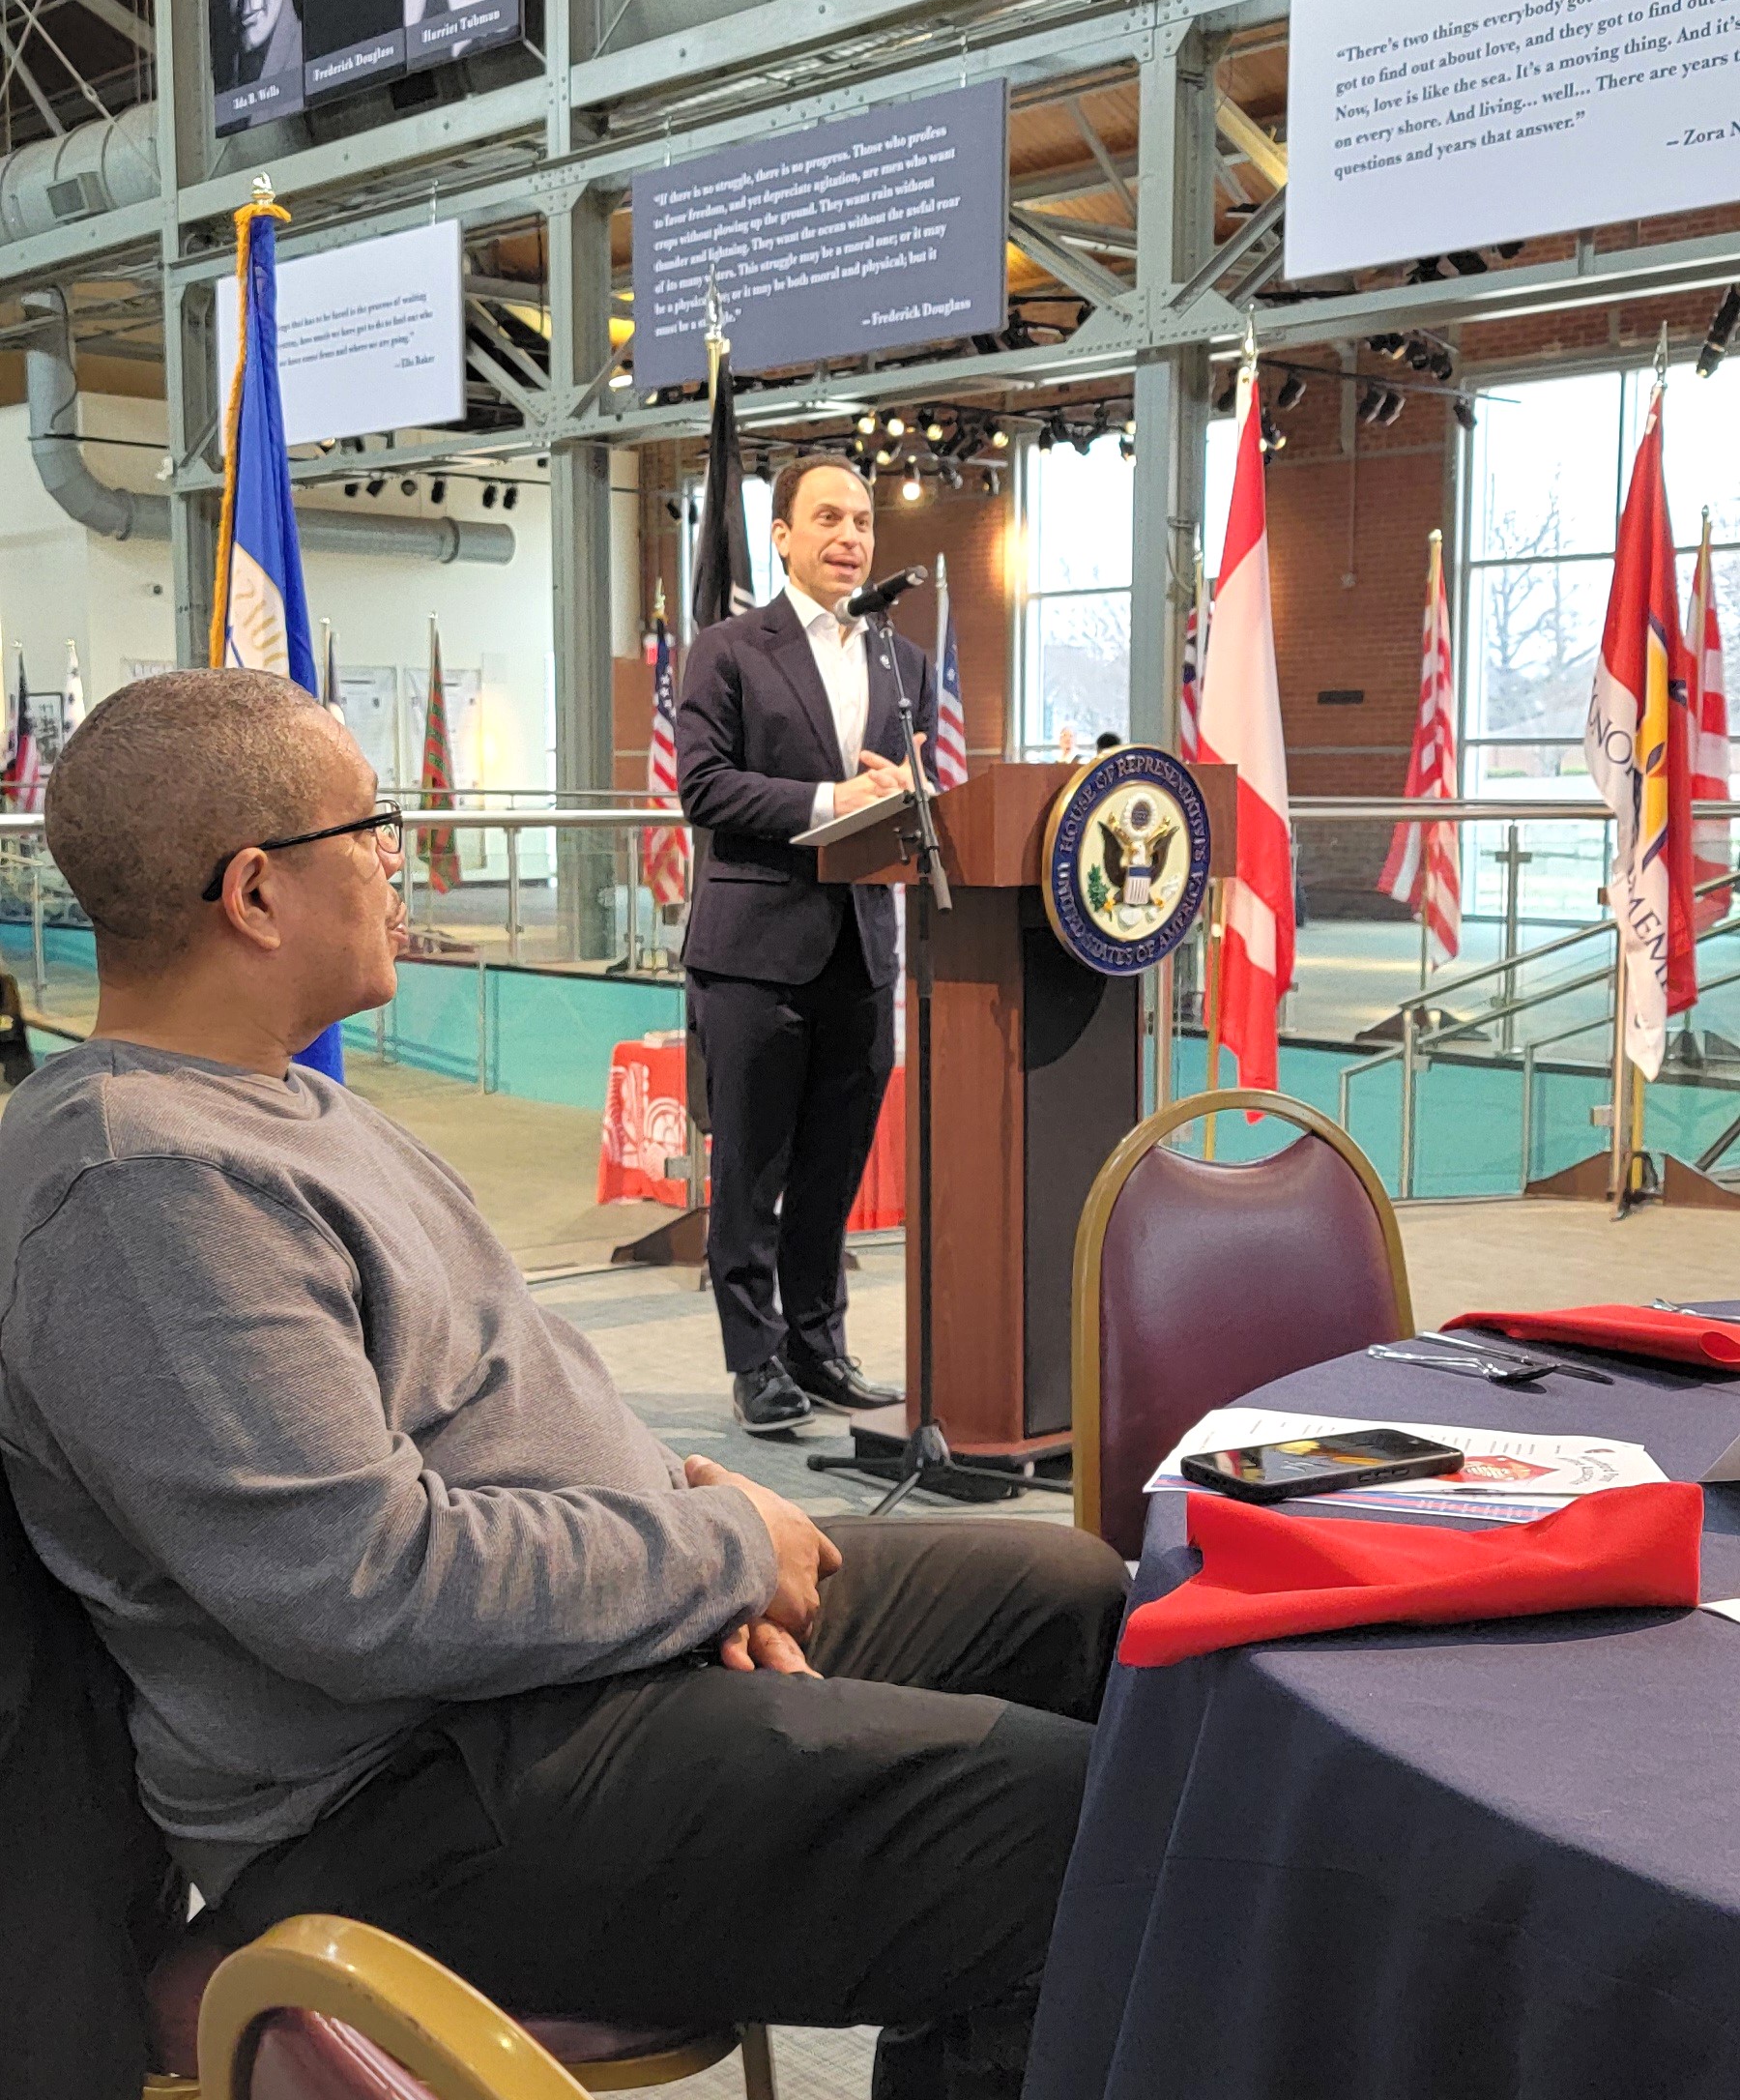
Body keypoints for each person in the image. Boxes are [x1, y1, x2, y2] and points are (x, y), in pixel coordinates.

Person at [0, 670, 1125, 2100]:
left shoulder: (286, 1104)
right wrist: (711, 1560)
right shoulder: (138, 1189)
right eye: (375, 830)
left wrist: (680, 1541)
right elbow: (365, 1588)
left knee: (1077, 1609)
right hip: (403, 1792)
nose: (399, 862)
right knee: (1059, 1824)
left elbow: (513, 1397)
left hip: (563, 1662)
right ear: (256, 895)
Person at [677, 460, 936, 1434]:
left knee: (832, 1170)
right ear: (781, 533)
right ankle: (756, 1362)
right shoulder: (728, 648)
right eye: (828, 516)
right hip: (755, 951)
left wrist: (909, 792)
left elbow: (911, 781)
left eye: (863, 520)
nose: (851, 535)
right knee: (752, 1169)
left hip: (864, 950)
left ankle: (818, 1347)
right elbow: (702, 787)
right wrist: (834, 800)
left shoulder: (899, 660)